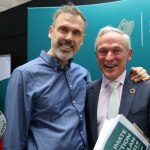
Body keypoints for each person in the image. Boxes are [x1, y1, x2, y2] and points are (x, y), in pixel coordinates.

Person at [4, 4, 150, 150]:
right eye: (63, 29)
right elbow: (14, 139)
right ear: (51, 31)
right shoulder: (24, 75)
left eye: (76, 32)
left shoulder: (83, 75)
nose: (69, 37)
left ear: (82, 39)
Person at [85, 26, 150, 150]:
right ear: (96, 56)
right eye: (103, 51)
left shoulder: (146, 89)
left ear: (129, 54)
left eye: (116, 50)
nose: (109, 58)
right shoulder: (87, 93)